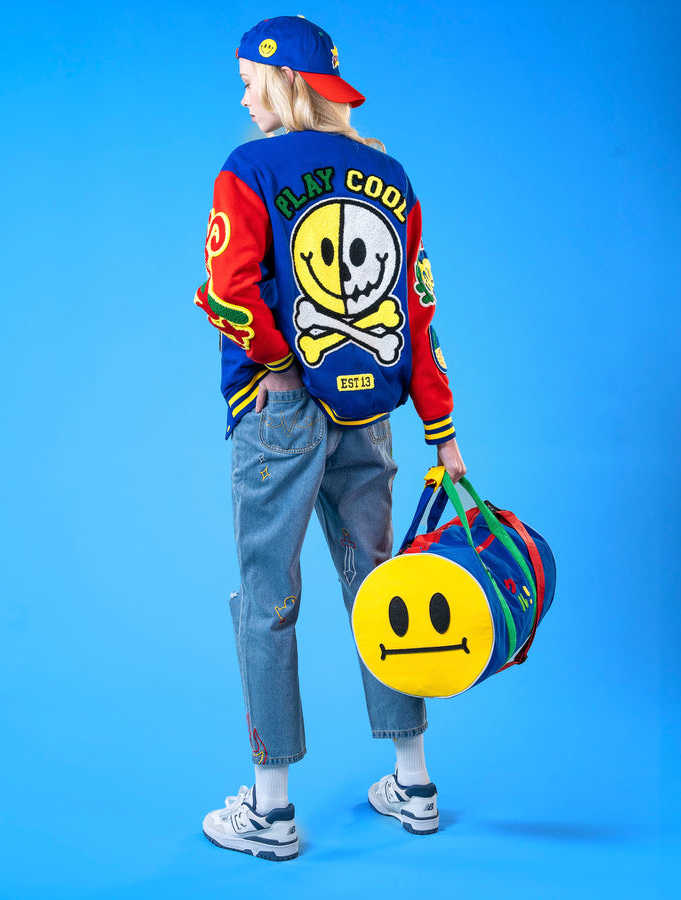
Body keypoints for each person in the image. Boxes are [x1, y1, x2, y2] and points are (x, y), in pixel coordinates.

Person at [195, 15, 466, 861]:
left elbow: (227, 290)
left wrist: (279, 364)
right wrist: (442, 430)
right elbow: (415, 311)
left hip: (280, 412)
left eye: (249, 81)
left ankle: (271, 811)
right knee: (378, 586)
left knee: (268, 596)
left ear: (282, 80)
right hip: (370, 413)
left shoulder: (249, 168)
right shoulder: (390, 174)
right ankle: (414, 784)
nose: (244, 98)